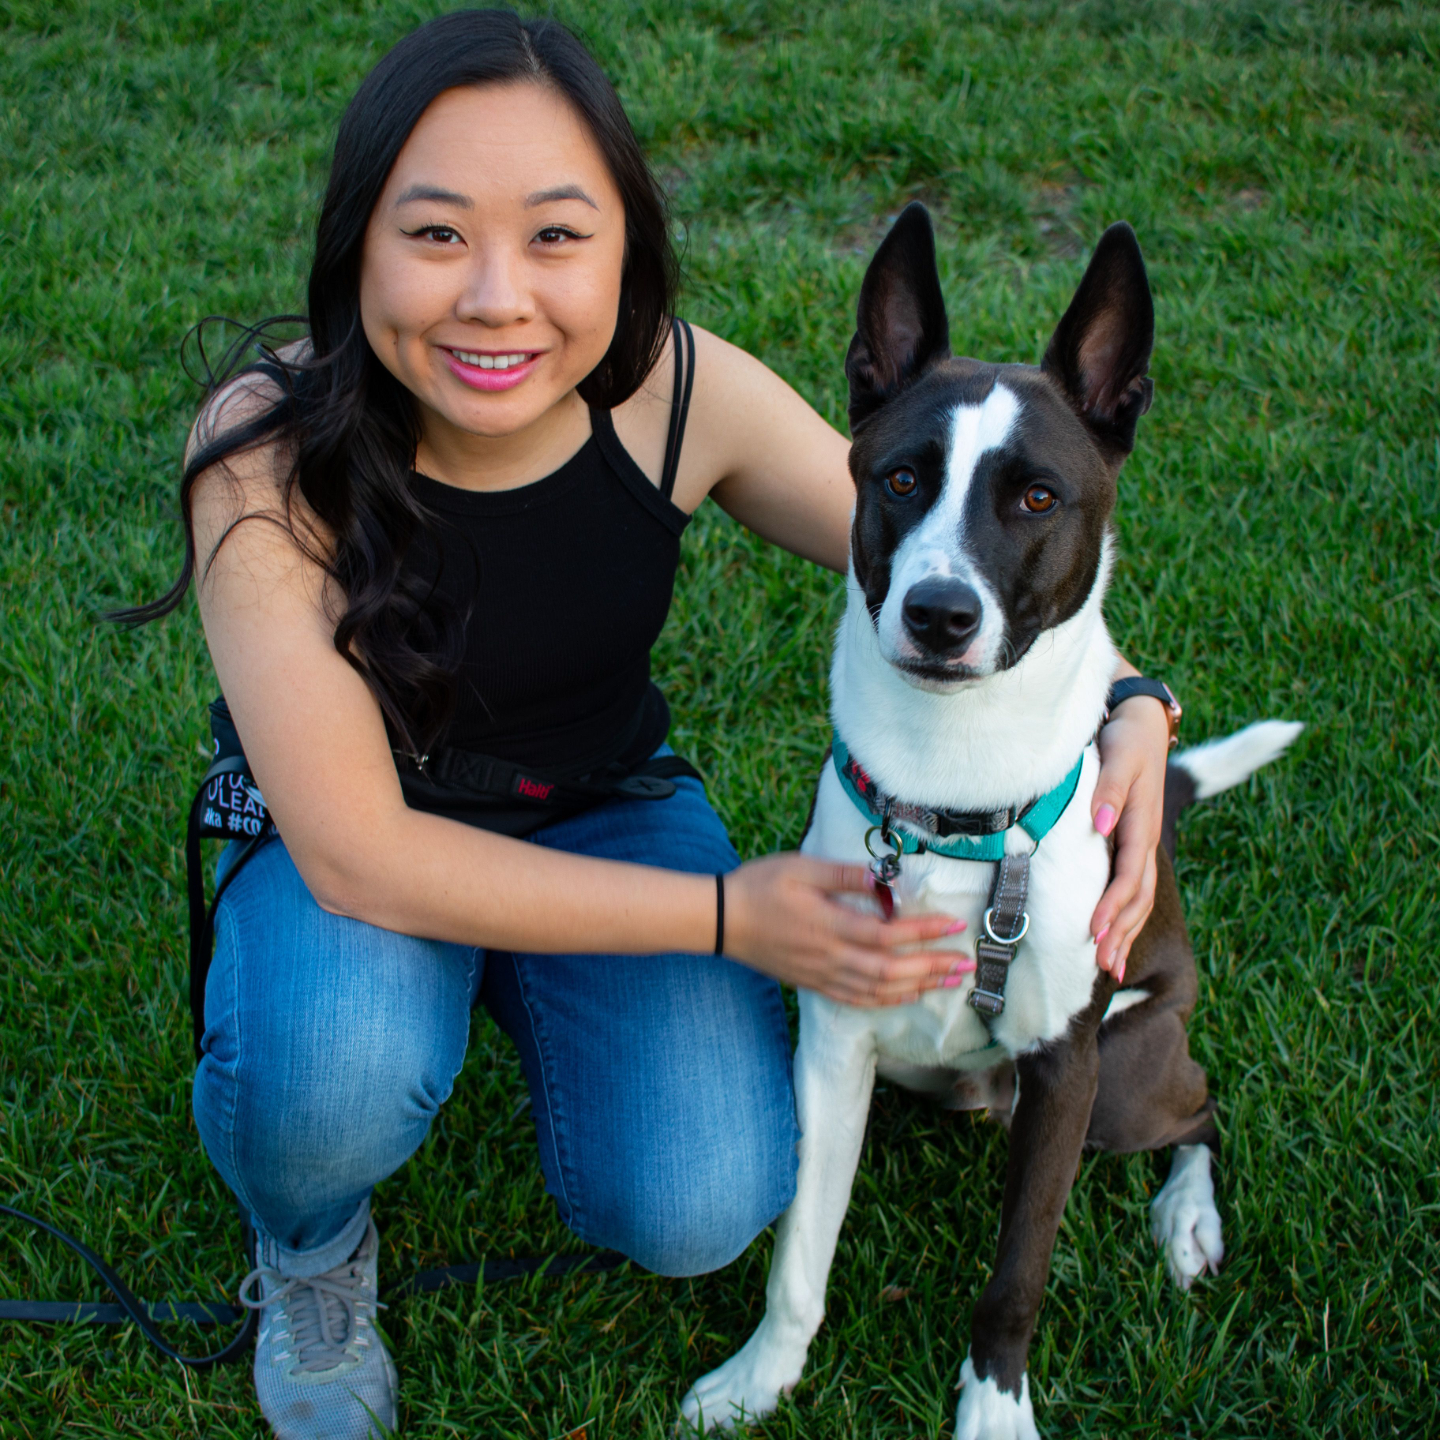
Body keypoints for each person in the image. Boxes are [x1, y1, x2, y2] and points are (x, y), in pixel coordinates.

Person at [127, 11, 1173, 1437]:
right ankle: (309, 1243)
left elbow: (934, 544)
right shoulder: (262, 448)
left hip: (599, 804)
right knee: (331, 1075)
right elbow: (360, 854)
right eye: (436, 234)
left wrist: (1133, 700)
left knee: (698, 1198)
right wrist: (733, 921)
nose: (496, 297)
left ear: (625, 249)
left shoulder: (679, 392)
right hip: (356, 845)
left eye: (556, 236)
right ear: (356, 240)